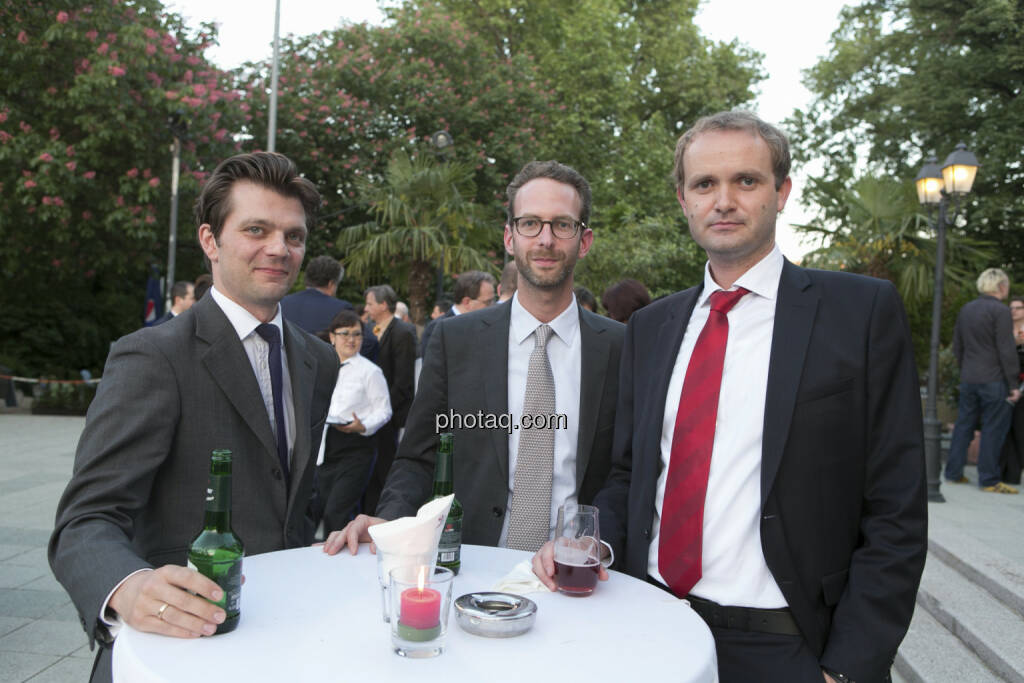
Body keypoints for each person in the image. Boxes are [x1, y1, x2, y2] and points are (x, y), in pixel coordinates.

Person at [533, 111, 927, 683]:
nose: (724, 200)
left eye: (746, 180)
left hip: (791, 648)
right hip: (652, 628)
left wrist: (848, 666)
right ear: (683, 200)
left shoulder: (860, 313)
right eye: (704, 184)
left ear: (782, 192)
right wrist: (586, 541)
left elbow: (896, 504)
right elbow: (629, 475)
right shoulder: (652, 327)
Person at [48, 152, 340, 683]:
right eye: (256, 229)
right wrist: (130, 586)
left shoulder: (317, 359)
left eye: (293, 236)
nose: (279, 248)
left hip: (287, 642)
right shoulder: (153, 356)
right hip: (177, 647)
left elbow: (289, 498)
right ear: (211, 240)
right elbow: (84, 523)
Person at [325, 160, 625, 556]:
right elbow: (419, 455)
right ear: (509, 237)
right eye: (530, 223)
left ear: (583, 241)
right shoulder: (455, 339)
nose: (546, 239)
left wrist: (594, 543)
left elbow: (627, 471)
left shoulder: (620, 347)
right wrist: (391, 519)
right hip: (471, 565)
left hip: (576, 571)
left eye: (563, 225)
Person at [945, 268, 1020, 493]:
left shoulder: (967, 309)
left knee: (963, 426)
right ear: (1001, 287)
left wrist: (965, 369)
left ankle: (953, 473)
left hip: (969, 377)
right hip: (994, 379)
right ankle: (988, 480)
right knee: (993, 429)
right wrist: (1014, 385)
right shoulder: (1000, 311)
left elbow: (957, 346)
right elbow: (1006, 349)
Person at [319, 309, 392, 532]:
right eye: (345, 334)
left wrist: (364, 426)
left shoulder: (370, 372)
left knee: (337, 513)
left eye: (357, 334)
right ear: (332, 337)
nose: (351, 340)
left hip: (355, 448)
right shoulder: (321, 366)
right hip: (324, 449)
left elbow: (384, 410)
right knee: (319, 510)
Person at [362, 284, 417, 514]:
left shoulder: (402, 332)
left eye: (370, 303)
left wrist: (382, 410)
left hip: (390, 415)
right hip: (373, 414)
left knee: (386, 468)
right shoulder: (370, 329)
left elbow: (403, 381)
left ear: (384, 305)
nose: (366, 308)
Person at [281, 255, 379, 361]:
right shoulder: (341, 308)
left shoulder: (282, 303)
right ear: (331, 284)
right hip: (325, 373)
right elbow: (370, 341)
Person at [419, 270, 498, 358]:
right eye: (488, 302)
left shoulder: (488, 326)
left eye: (493, 300)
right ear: (467, 302)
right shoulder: (437, 328)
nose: (493, 306)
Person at [1001, 296, 1024, 484]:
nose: (1014, 311)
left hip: (1021, 387)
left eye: (1018, 308)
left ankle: (1014, 472)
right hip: (1005, 385)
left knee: (1019, 429)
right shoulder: (1004, 330)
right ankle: (1005, 471)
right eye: (1011, 308)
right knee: (1004, 430)